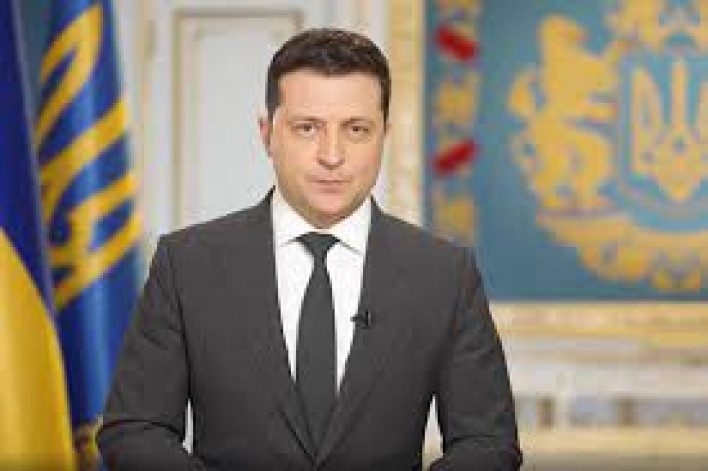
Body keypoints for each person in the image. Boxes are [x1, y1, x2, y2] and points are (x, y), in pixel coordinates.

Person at [98, 28, 522, 470]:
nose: (332, 155)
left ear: (384, 135)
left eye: (356, 130)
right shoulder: (187, 265)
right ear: (267, 134)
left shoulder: (444, 274)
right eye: (307, 128)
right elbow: (134, 430)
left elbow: (488, 443)